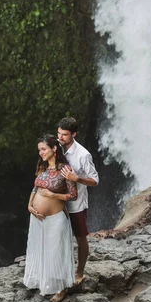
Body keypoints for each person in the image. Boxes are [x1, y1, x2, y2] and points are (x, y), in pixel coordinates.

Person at [23, 134, 77, 302]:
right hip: (38, 219)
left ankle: (62, 289)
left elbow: (73, 195)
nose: (41, 152)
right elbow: (35, 188)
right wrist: (30, 206)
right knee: (40, 249)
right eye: (39, 150)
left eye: (44, 149)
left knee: (57, 252)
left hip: (56, 218)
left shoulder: (65, 169)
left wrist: (53, 195)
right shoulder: (42, 167)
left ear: (54, 149)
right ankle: (44, 282)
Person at [56, 117, 99, 285]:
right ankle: (61, 271)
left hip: (76, 204)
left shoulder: (83, 155)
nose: (60, 138)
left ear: (74, 134)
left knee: (80, 237)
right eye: (59, 133)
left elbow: (95, 181)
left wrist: (76, 178)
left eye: (65, 135)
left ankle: (79, 272)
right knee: (60, 238)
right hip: (58, 203)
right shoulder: (56, 148)